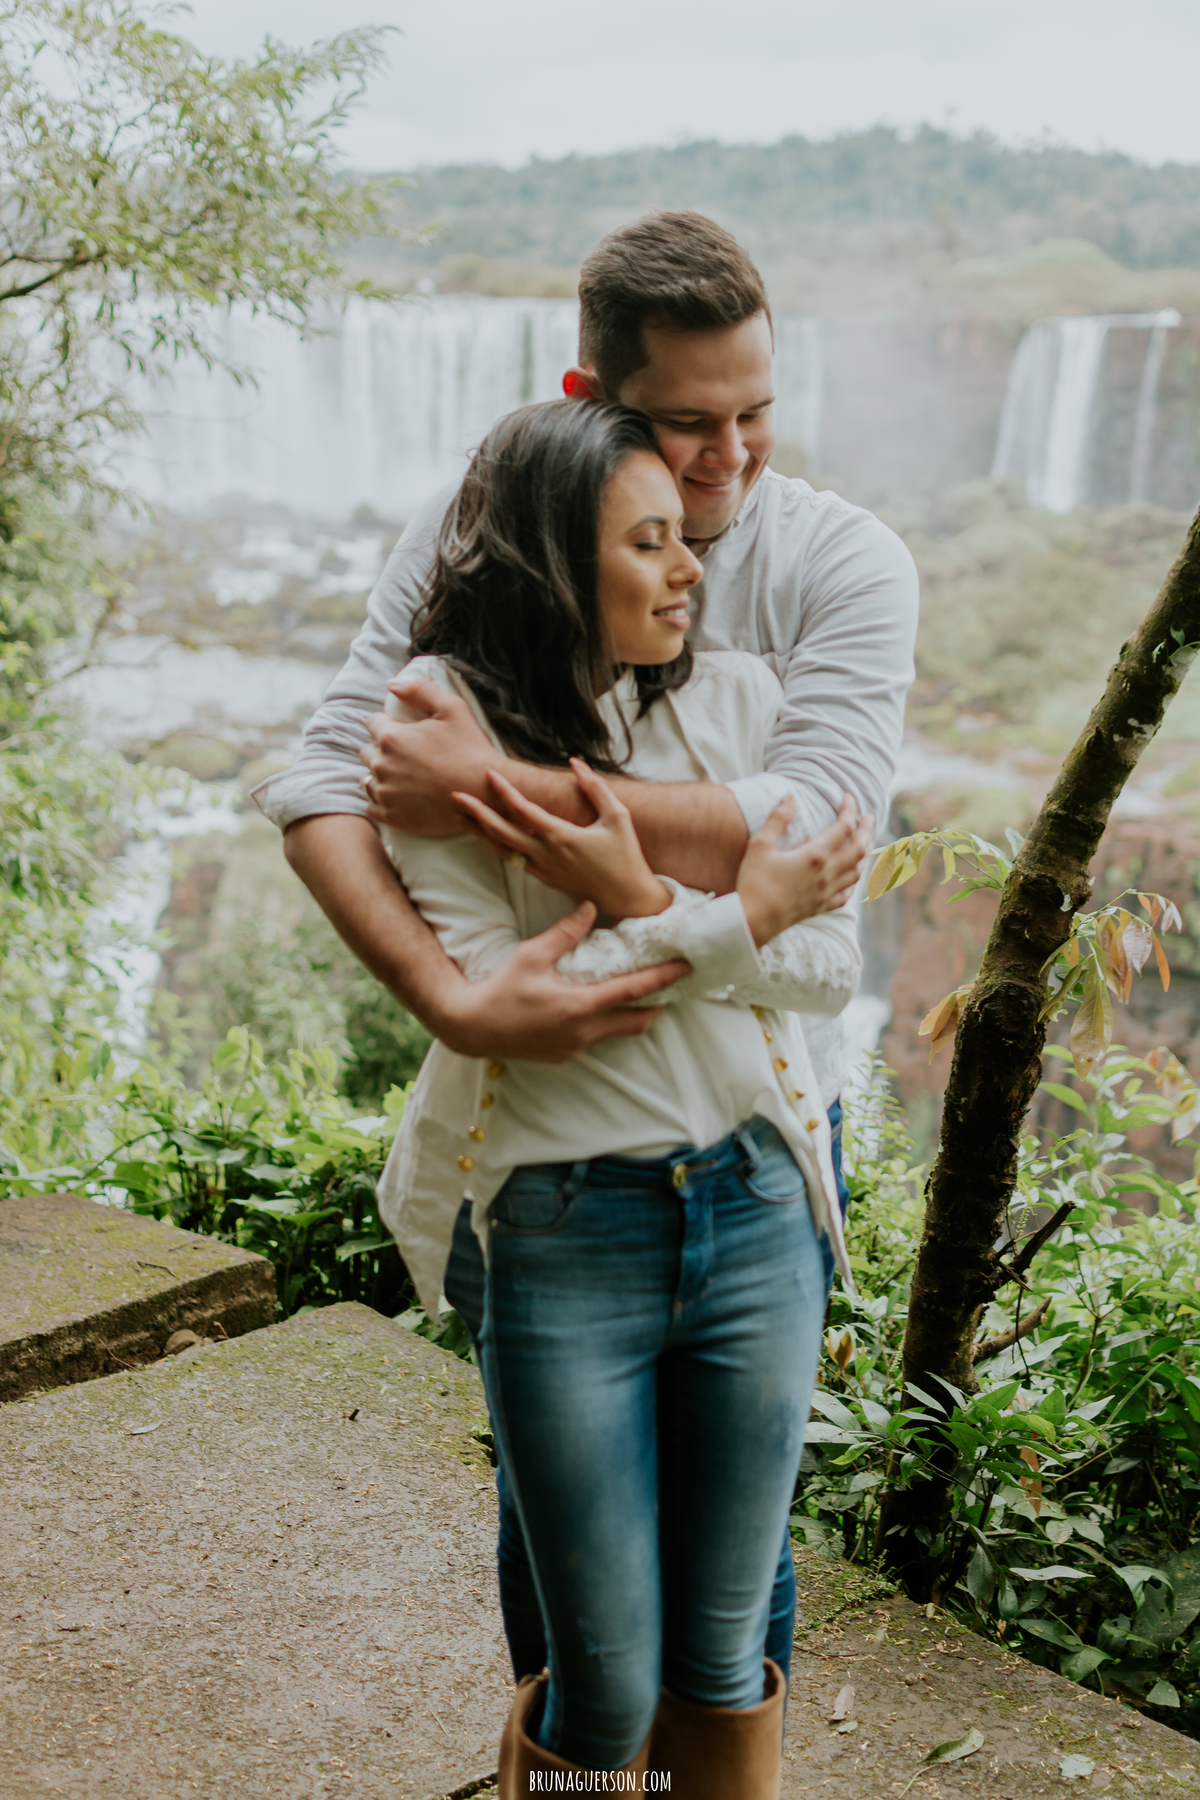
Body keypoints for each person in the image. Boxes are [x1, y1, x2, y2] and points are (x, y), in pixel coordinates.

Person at [253, 208, 918, 1707]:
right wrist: (457, 1002)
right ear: (590, 401)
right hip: (545, 1166)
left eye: (755, 414)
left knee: (735, 1619)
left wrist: (517, 798)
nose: (727, 466)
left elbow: (805, 843)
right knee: (576, 1612)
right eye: (685, 428)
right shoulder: (492, 524)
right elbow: (322, 780)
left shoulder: (842, 564)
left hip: (755, 1129)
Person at [371, 396, 868, 1793]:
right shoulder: (436, 742)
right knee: (603, 1681)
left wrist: (635, 896)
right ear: (550, 564)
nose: (691, 566)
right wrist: (724, 917)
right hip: (560, 1230)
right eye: (648, 543)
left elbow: (827, 965)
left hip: (757, 1209)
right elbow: (525, 1008)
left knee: (719, 1658)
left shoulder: (741, 704)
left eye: (682, 537)